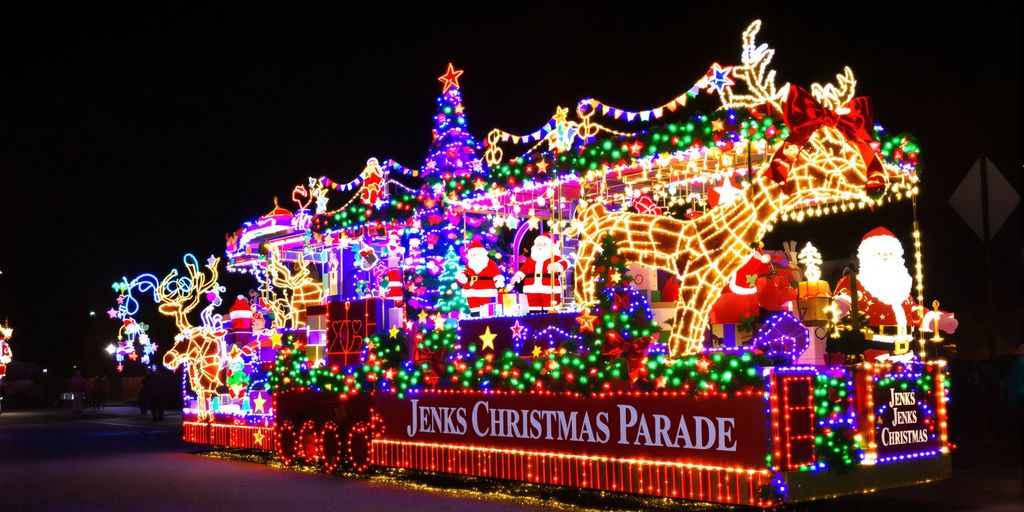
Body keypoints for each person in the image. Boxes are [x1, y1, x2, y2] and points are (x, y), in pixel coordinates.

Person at [510, 234, 569, 312]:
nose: (540, 246)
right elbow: (523, 270)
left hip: (549, 289)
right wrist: (517, 276)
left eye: (543, 244)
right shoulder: (530, 260)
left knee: (550, 310)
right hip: (531, 288)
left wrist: (557, 265)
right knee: (533, 310)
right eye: (538, 244)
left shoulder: (554, 258)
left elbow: (566, 263)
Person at [456, 241, 504, 317]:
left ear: (482, 254)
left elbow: (496, 273)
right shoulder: (468, 265)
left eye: (477, 254)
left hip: (487, 288)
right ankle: (475, 315)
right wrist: (462, 276)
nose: (475, 256)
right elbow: (464, 273)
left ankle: (486, 316)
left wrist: (498, 280)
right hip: (471, 288)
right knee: (474, 306)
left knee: (486, 306)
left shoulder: (490, 263)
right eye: (473, 255)